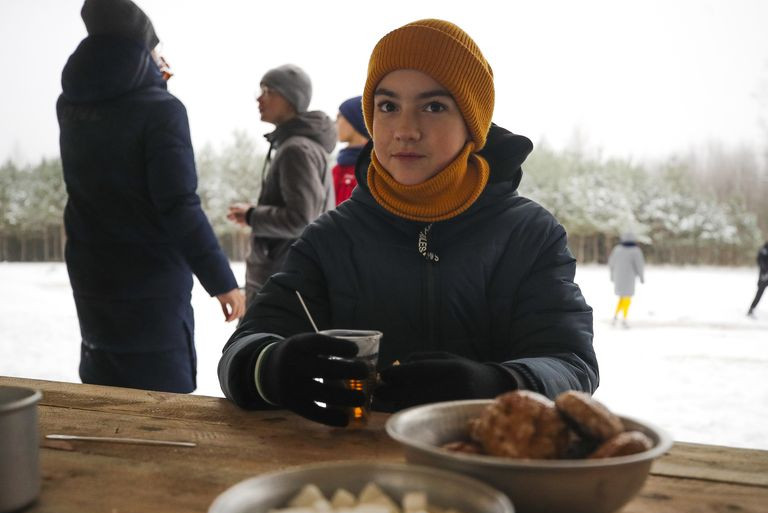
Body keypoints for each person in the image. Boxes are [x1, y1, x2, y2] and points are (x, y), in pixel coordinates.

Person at [218, 19, 598, 426]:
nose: (405, 130)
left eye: (434, 107)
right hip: (357, 461)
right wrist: (270, 366)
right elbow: (243, 348)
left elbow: (570, 364)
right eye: (388, 106)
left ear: (472, 123)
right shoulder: (331, 238)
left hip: (491, 457)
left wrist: (497, 385)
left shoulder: (530, 235)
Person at [57, 0, 244, 393]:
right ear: (143, 52)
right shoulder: (162, 111)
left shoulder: (71, 106)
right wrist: (222, 281)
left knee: (103, 387)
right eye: (158, 50)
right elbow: (178, 205)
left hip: (91, 271)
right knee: (160, 396)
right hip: (150, 281)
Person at [227, 65, 337, 307]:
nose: (259, 98)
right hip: (290, 279)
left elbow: (301, 219)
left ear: (290, 98)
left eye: (267, 91)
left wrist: (252, 215)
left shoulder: (296, 149)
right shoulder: (301, 146)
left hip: (283, 285)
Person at [333, 96, 371, 205]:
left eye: (339, 116)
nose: (336, 122)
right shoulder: (337, 168)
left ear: (356, 119)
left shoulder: (373, 170)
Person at [607, 231, 645, 327]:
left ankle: (615, 317)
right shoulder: (636, 251)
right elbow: (639, 265)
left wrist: (612, 275)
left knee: (621, 297)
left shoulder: (617, 249)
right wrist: (641, 277)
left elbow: (611, 263)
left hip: (618, 277)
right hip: (629, 278)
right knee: (627, 297)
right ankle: (624, 318)